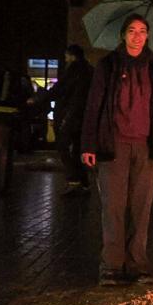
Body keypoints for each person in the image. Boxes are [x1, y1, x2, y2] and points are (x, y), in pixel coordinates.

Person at [81, 15, 153, 286]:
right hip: (114, 145)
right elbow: (93, 106)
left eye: (143, 31)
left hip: (145, 145)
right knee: (113, 206)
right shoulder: (108, 66)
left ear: (148, 36)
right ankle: (111, 266)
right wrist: (89, 144)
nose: (137, 36)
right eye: (132, 31)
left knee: (141, 207)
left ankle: (137, 264)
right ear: (123, 35)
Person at [27, 45, 94, 196]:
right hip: (83, 115)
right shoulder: (90, 70)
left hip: (70, 114)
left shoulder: (73, 70)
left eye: (66, 57)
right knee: (77, 148)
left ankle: (73, 180)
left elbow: (60, 89)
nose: (65, 60)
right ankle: (83, 182)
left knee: (63, 146)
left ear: (71, 56)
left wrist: (38, 99)